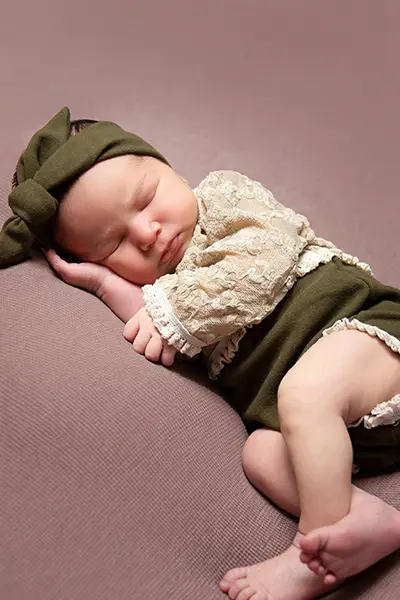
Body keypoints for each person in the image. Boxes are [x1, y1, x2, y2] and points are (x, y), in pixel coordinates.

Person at [1, 107, 400, 600]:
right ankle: (360, 516)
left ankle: (312, 554)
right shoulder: (167, 298)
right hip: (352, 436)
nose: (147, 232)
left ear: (168, 167)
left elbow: (265, 257)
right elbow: (150, 325)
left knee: (303, 393)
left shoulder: (226, 200)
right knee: (260, 454)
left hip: (369, 336)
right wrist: (104, 284)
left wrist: (168, 307)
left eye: (146, 198)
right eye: (115, 243)